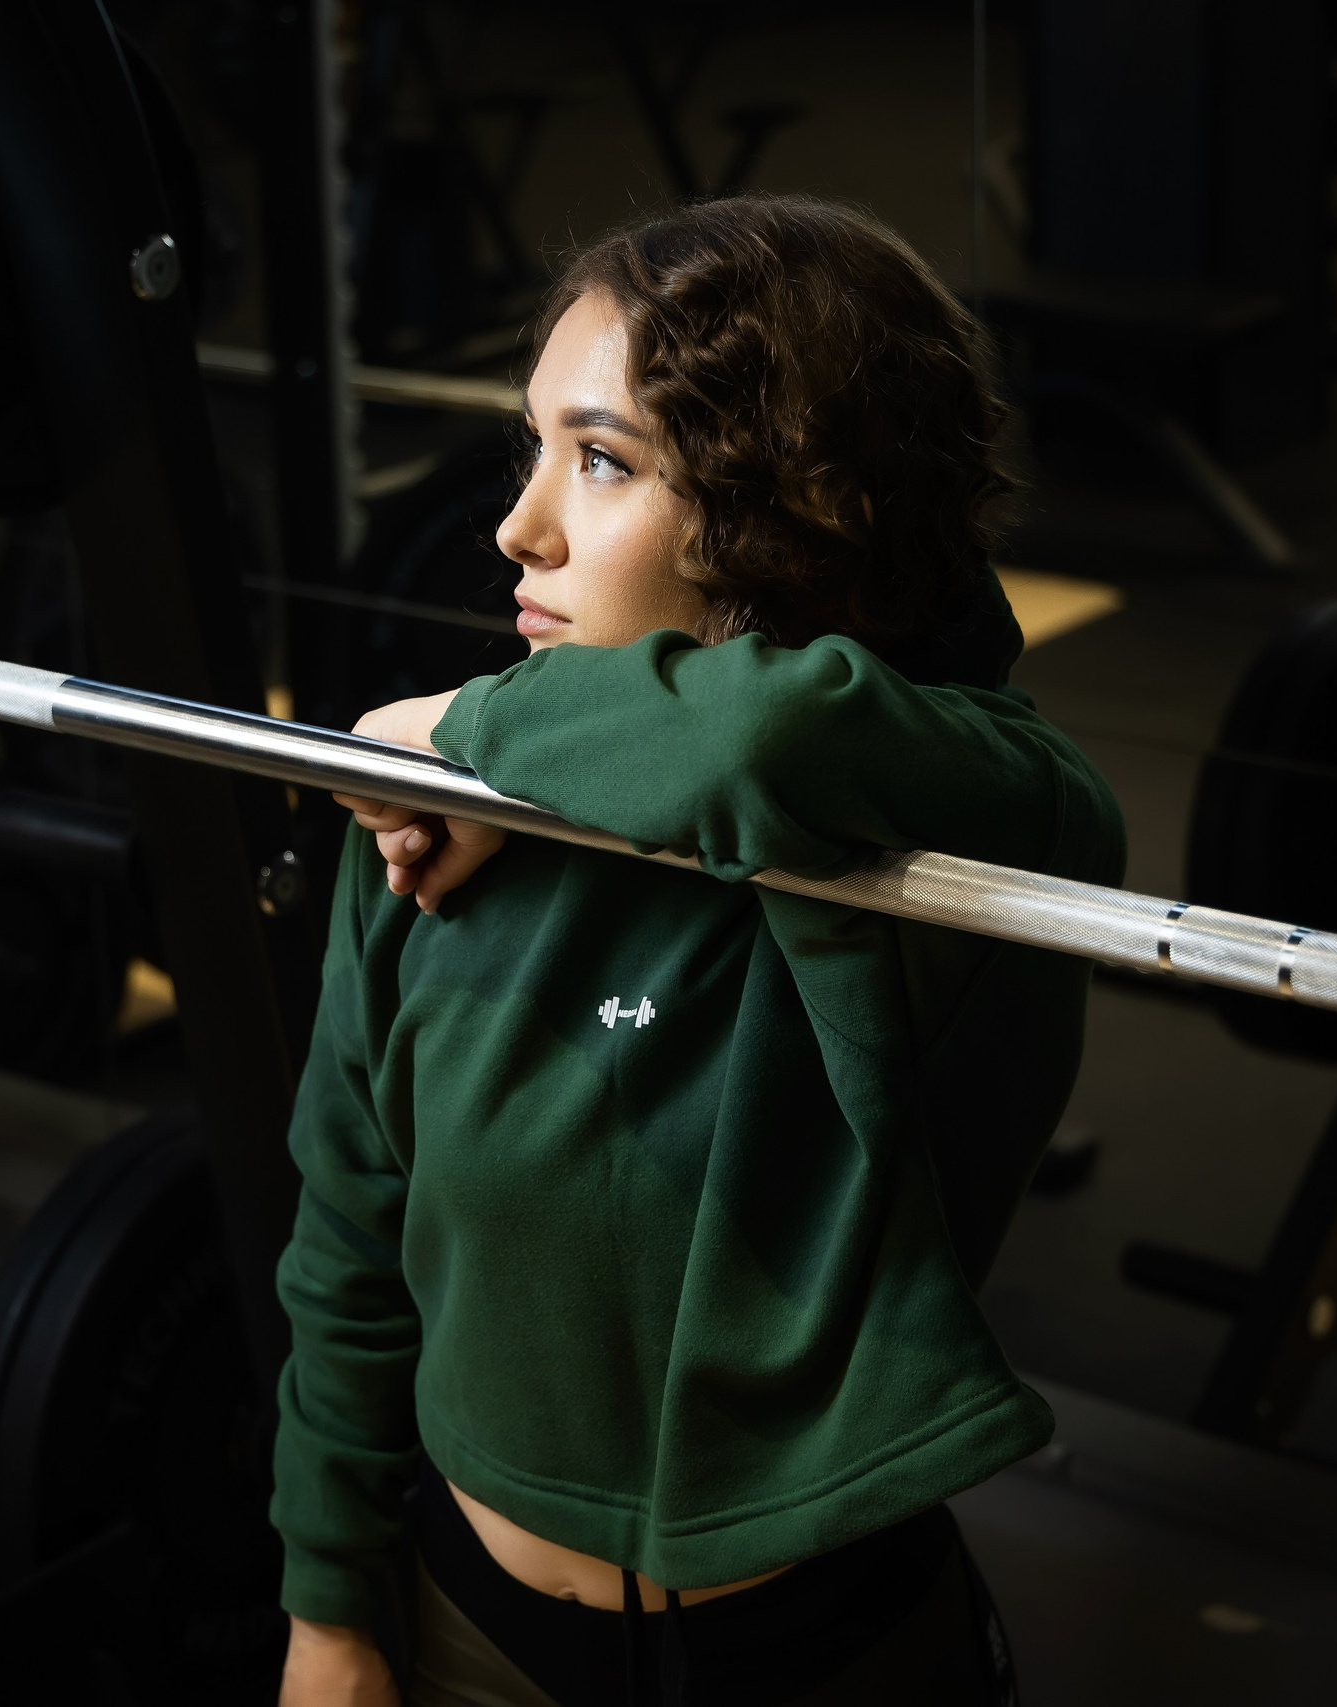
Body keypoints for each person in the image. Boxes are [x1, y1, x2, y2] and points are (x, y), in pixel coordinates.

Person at [272, 195, 1125, 1707]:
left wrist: (461, 727)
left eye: (600, 461)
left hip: (819, 1654)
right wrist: (331, 1611)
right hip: (472, 1630)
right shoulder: (437, 839)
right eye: (530, 447)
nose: (517, 527)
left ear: (801, 505)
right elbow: (350, 1245)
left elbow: (778, 730)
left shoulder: (977, 814)